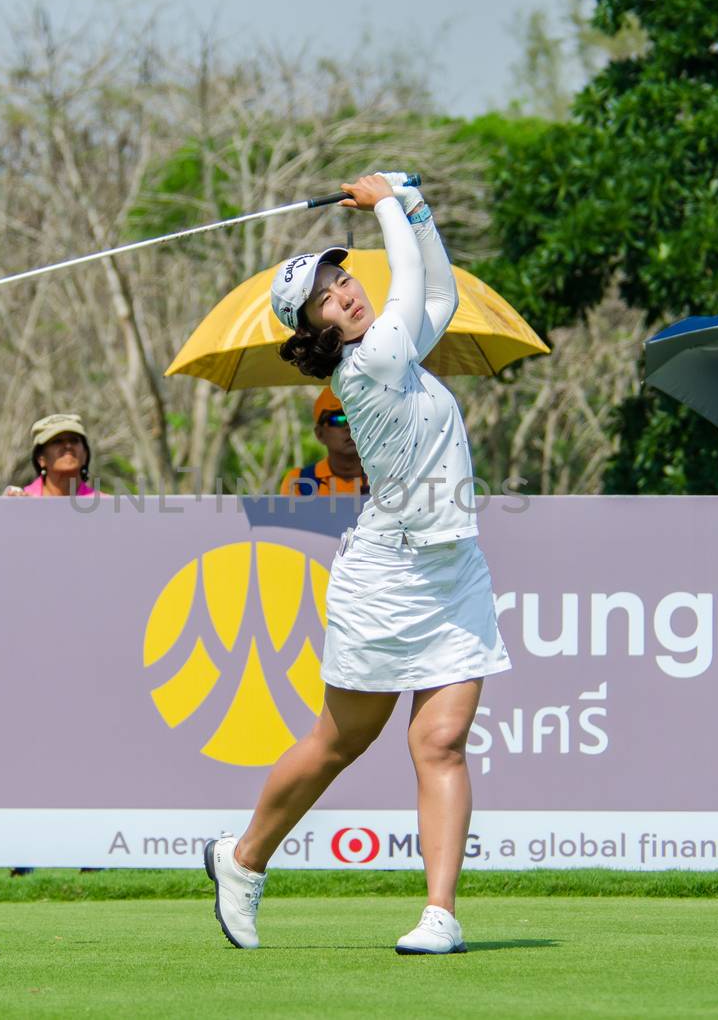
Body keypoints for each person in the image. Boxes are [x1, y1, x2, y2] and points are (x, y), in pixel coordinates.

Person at [205, 173, 510, 955]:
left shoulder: (399, 352)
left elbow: (433, 288)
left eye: (346, 279)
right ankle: (242, 862)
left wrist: (415, 208)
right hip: (386, 576)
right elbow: (406, 282)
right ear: (314, 330)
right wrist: (383, 204)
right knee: (339, 743)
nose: (348, 293)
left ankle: (440, 913)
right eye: (329, 297)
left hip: (454, 572)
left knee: (440, 743)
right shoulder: (369, 365)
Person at [279, 387, 370, 496]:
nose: (349, 426)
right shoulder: (298, 482)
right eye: (338, 419)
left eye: (356, 417)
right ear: (320, 434)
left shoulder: (388, 477)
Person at [2, 413, 98, 497]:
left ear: (85, 454)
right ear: (41, 459)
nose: (68, 446)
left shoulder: (105, 505)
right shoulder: (21, 501)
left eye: (74, 440)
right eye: (57, 441)